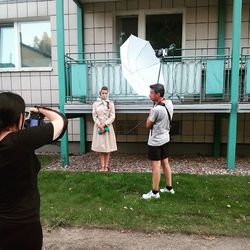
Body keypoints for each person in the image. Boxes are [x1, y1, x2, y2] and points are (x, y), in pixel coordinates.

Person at [0, 92, 68, 250]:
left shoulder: (21, 140)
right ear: (20, 117)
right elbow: (60, 122)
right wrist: (41, 109)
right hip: (22, 224)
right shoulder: (21, 140)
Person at [142, 83, 175, 199]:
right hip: (165, 138)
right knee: (165, 162)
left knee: (156, 166)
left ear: (158, 94)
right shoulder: (169, 103)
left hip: (155, 141)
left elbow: (148, 125)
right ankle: (169, 188)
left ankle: (155, 192)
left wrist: (151, 113)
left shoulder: (156, 110)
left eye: (151, 93)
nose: (149, 95)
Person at [91, 86, 117, 171]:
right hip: (99, 127)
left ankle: (106, 166)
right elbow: (94, 116)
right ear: (100, 93)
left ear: (108, 94)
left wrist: (105, 124)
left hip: (108, 127)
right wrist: (99, 124)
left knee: (108, 148)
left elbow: (112, 116)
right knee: (101, 148)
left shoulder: (111, 104)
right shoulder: (95, 104)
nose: (104, 94)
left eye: (106, 93)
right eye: (103, 93)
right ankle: (102, 167)